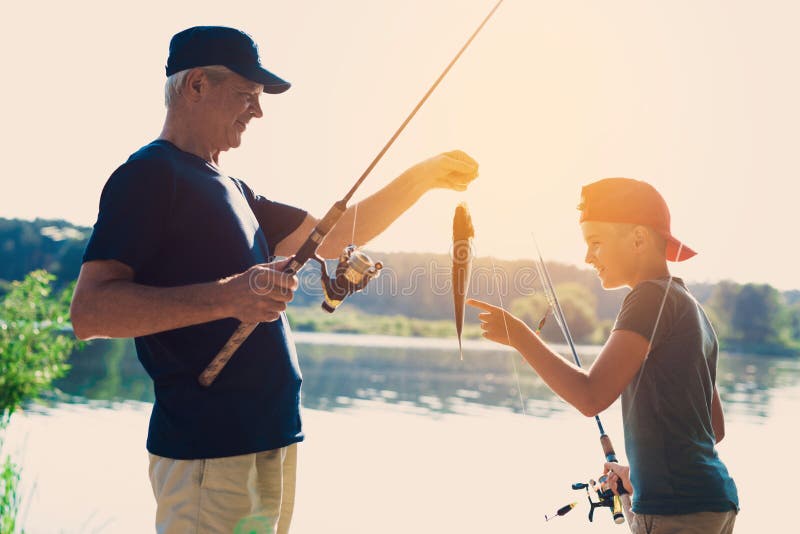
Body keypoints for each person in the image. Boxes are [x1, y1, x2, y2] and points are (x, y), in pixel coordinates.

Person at [69, 26, 478, 534]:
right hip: (208, 451)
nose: (257, 112)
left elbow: (337, 237)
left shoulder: (237, 188)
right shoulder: (148, 176)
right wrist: (232, 295)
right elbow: (89, 313)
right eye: (246, 95)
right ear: (196, 85)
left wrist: (425, 175)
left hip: (272, 438)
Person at [468, 178, 739, 533]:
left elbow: (591, 396)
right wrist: (637, 476)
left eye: (595, 243)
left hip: (676, 512)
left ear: (639, 238)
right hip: (712, 501)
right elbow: (712, 429)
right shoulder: (691, 307)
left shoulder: (648, 298)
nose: (587, 257)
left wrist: (520, 336)